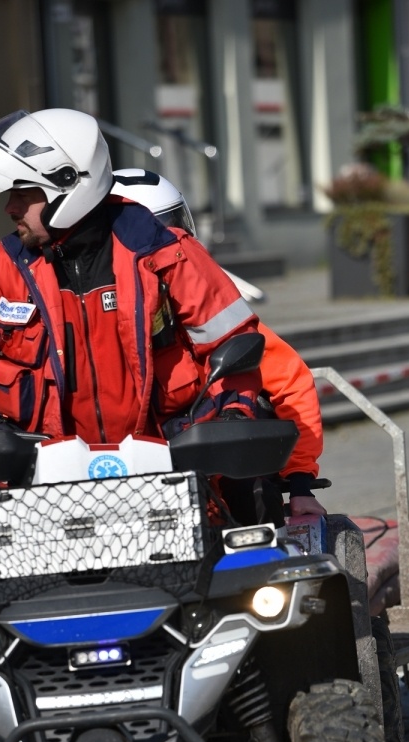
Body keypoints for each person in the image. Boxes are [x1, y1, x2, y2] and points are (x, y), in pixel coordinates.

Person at [0, 107, 264, 453]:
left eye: (23, 193)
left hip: (167, 458)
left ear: (69, 185)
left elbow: (231, 342)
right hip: (41, 471)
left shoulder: (165, 252)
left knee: (245, 498)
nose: (10, 207)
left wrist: (234, 411)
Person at [111, 168, 326, 519]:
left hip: (214, 465)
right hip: (126, 478)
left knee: (250, 478)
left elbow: (289, 382)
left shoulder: (208, 306)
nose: (174, 250)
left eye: (174, 232)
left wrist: (299, 481)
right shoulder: (84, 320)